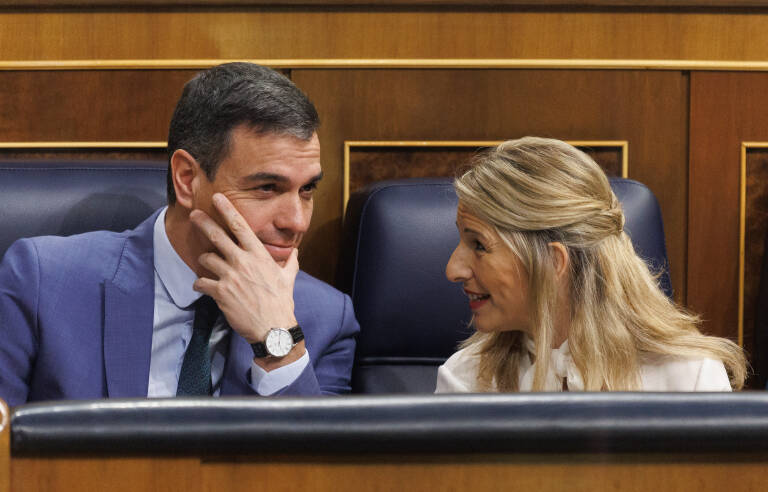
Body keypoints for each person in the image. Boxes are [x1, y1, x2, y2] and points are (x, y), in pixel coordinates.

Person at [0, 63, 359, 406]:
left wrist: (278, 343)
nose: (296, 222)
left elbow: (312, 469)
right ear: (187, 180)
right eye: (267, 188)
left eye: (307, 190)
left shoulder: (324, 318)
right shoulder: (43, 283)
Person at [435, 137, 746, 393]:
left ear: (552, 262)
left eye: (478, 245)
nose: (453, 269)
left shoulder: (688, 378)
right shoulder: (464, 381)